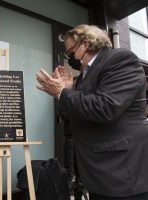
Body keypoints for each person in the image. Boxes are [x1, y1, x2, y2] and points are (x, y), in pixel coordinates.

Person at [36, 24, 148, 200]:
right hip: (96, 174)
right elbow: (75, 116)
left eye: (71, 50)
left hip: (121, 175)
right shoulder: (82, 76)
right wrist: (67, 91)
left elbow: (106, 107)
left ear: (85, 44)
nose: (69, 56)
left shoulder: (120, 59)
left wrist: (62, 93)